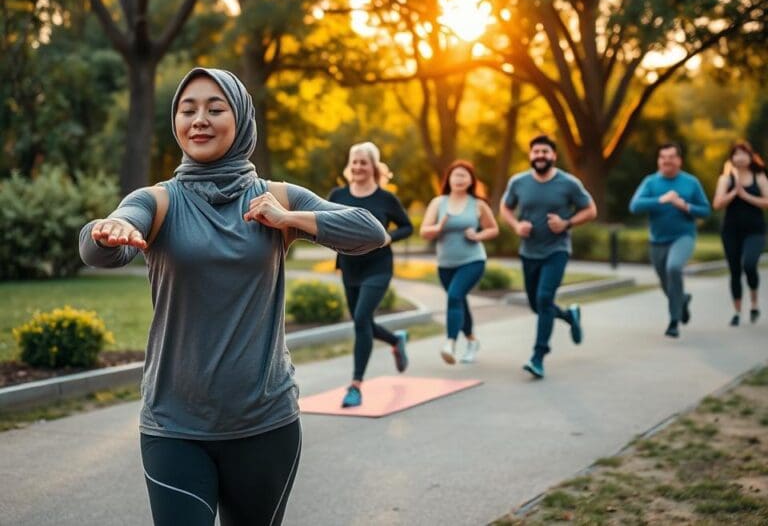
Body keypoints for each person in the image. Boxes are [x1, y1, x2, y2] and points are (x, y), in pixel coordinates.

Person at [79, 68, 387, 526]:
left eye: (214, 108)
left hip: (265, 425)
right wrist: (111, 232)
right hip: (174, 426)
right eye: (188, 110)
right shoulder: (158, 201)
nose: (199, 120)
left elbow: (370, 232)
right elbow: (99, 245)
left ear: (240, 119)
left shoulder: (278, 196)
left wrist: (289, 219)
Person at [499, 135, 597, 379]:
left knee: (544, 298)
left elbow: (591, 210)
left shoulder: (568, 183)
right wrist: (515, 225)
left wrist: (567, 223)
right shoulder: (519, 182)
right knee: (537, 305)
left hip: (557, 250)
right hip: (529, 251)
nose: (540, 156)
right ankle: (568, 315)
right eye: (536, 152)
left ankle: (538, 357)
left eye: (545, 152)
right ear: (530, 155)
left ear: (553, 155)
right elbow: (505, 207)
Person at [329, 142, 413, 408]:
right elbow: (323, 221)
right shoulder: (337, 195)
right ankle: (396, 339)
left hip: (378, 268)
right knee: (361, 322)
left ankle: (355, 386)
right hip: (349, 266)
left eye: (363, 162)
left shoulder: (385, 198)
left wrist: (390, 237)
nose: (357, 167)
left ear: (374, 167)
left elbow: (407, 227)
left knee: (362, 319)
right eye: (354, 162)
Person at [421, 160, 499, 364]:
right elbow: (424, 232)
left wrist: (478, 235)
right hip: (445, 265)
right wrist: (438, 227)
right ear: (449, 179)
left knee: (454, 297)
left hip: (473, 261)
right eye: (456, 175)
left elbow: (493, 229)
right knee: (459, 302)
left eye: (464, 175)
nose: (459, 179)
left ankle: (450, 343)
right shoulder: (438, 203)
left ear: (471, 180)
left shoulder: (478, 204)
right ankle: (472, 341)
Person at [629, 142, 711, 338]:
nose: (667, 161)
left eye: (671, 157)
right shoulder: (651, 182)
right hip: (657, 241)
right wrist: (661, 200)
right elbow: (634, 206)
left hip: (683, 237)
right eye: (663, 157)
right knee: (666, 282)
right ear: (659, 161)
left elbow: (706, 210)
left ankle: (674, 322)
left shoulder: (691, 182)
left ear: (679, 160)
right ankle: (681, 300)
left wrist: (685, 206)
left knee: (674, 268)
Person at [712, 141, 768, 326]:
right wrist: (733, 193)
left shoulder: (759, 176)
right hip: (731, 231)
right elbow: (717, 203)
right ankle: (737, 311)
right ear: (732, 158)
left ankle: (754, 302)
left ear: (751, 156)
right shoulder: (725, 179)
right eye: (736, 154)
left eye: (744, 153)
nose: (740, 157)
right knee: (734, 270)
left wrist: (746, 196)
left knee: (749, 264)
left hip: (755, 231)